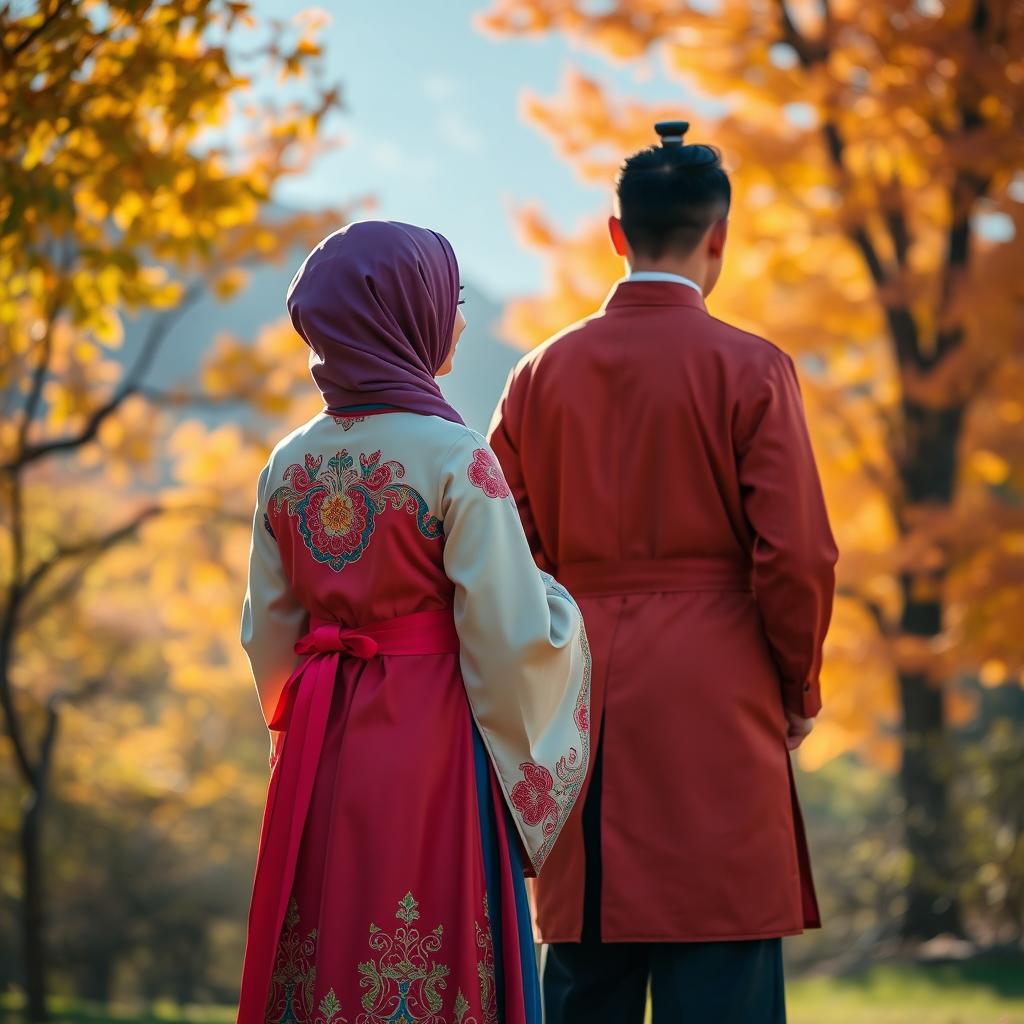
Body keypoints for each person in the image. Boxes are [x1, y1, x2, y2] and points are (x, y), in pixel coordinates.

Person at [488, 122, 838, 1024]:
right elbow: (796, 554)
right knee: (719, 965)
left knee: (586, 972)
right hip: (717, 700)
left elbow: (499, 557)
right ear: (719, 236)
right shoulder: (754, 369)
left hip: (579, 703)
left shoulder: (539, 375)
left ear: (616, 235)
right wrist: (796, 684)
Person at [235, 220, 591, 1024]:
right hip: (434, 737)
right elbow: (510, 636)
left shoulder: (287, 463)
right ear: (408, 312)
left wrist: (305, 725)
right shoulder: (457, 456)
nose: (459, 319)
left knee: (328, 929)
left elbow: (267, 637)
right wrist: (562, 608)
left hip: (322, 738)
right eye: (451, 299)